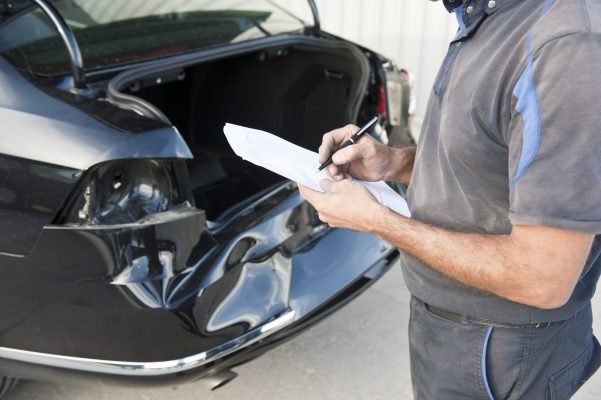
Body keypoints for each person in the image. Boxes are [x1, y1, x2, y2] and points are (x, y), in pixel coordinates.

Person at [298, 0, 601, 398]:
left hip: (500, 346)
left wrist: (380, 221)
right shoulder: (488, 15)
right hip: (451, 325)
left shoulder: (564, 46)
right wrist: (392, 163)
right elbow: (488, 157)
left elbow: (542, 278)